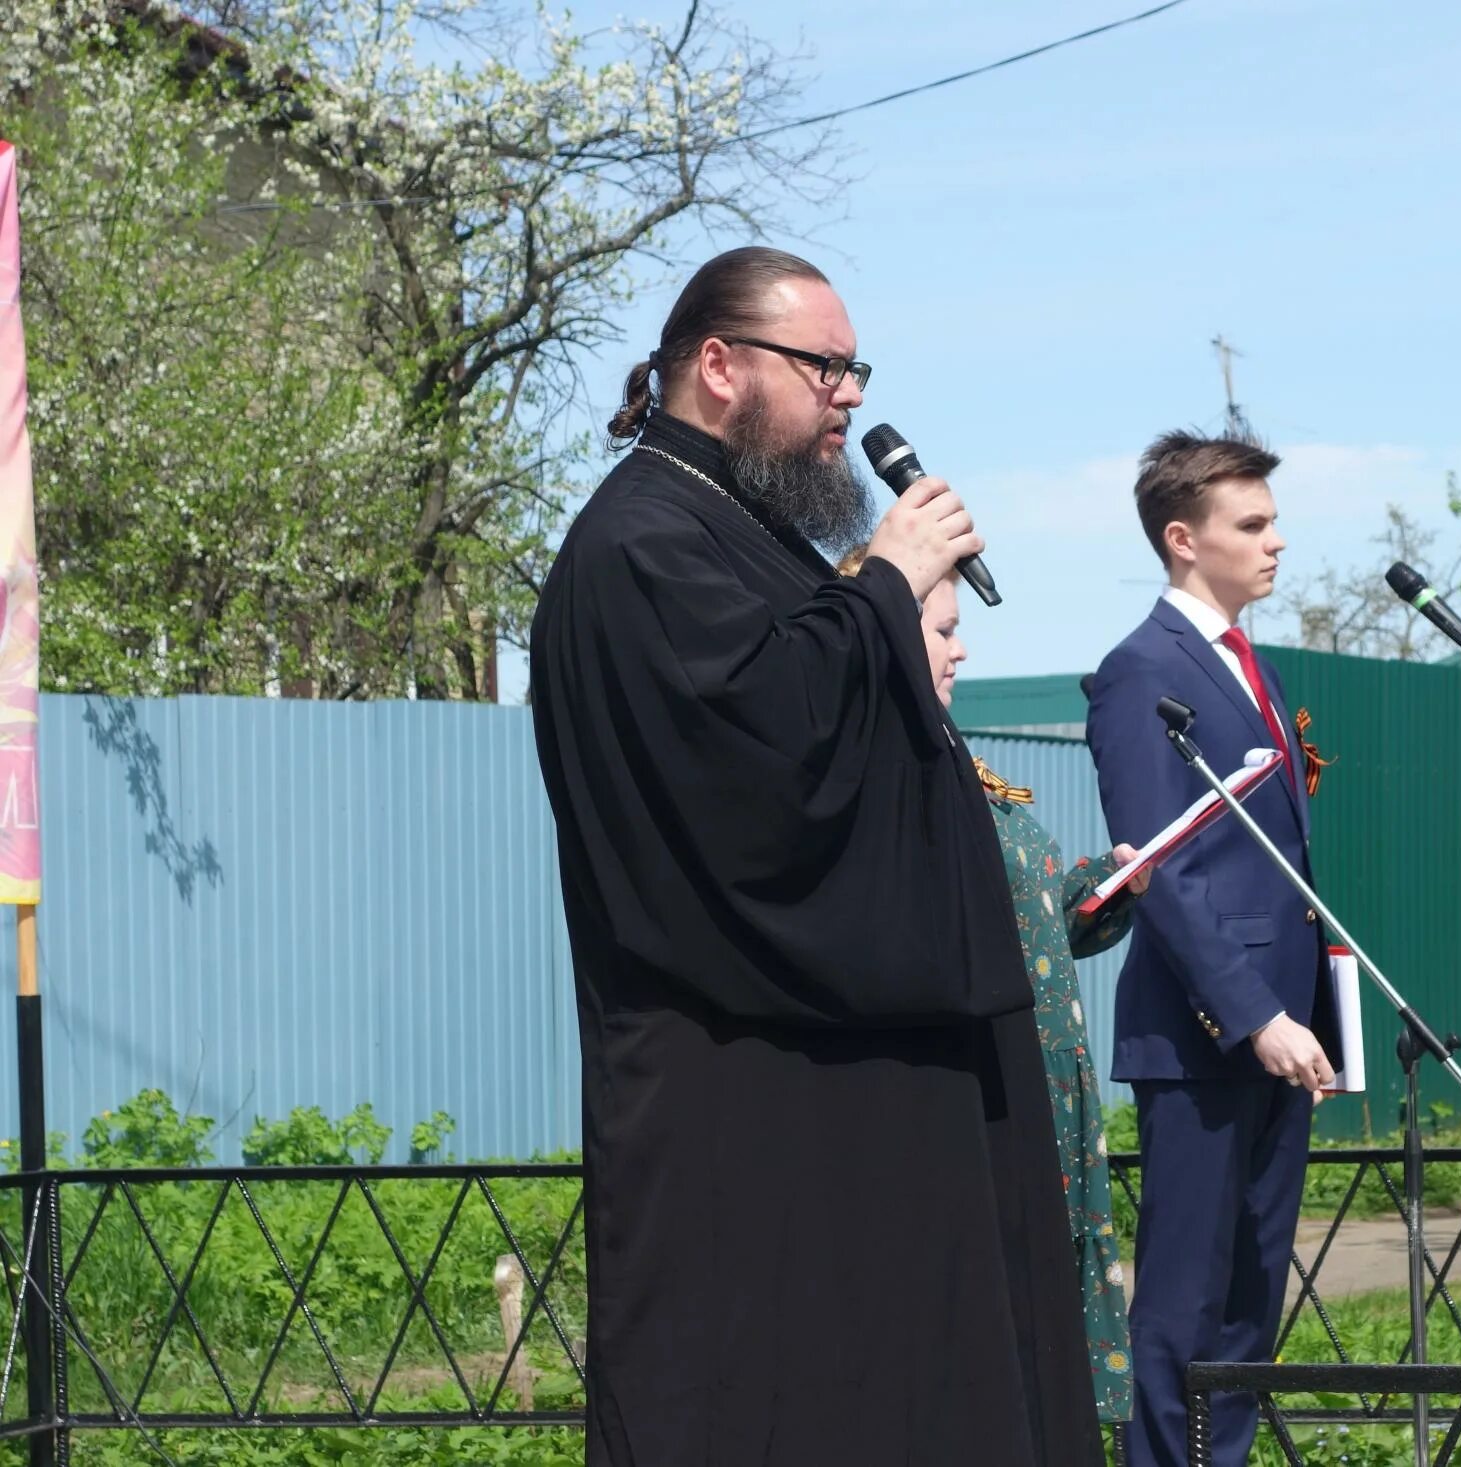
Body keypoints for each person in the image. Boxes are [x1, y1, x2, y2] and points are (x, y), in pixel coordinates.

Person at [529, 245, 1100, 1467]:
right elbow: (763, 772)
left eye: (856, 368)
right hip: (738, 1113)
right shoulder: (641, 542)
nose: (850, 394)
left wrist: (874, 602)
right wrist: (887, 581)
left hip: (840, 1113)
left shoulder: (740, 531)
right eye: (824, 366)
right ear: (719, 366)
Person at [1083, 429, 1337, 1467]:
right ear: (1183, 539)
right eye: (1253, 524)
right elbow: (1160, 871)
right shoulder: (1139, 672)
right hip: (1204, 1039)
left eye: (1272, 520)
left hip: (1282, 1027)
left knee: (1248, 1303)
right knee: (1183, 1309)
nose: (1278, 541)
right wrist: (1257, 1014)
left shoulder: (1250, 664)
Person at [845, 547, 1142, 1427]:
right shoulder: (875, 774)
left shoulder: (958, 762)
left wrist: (1115, 884)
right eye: (943, 631)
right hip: (972, 1121)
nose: (960, 652)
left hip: (1048, 1107)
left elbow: (1036, 917)